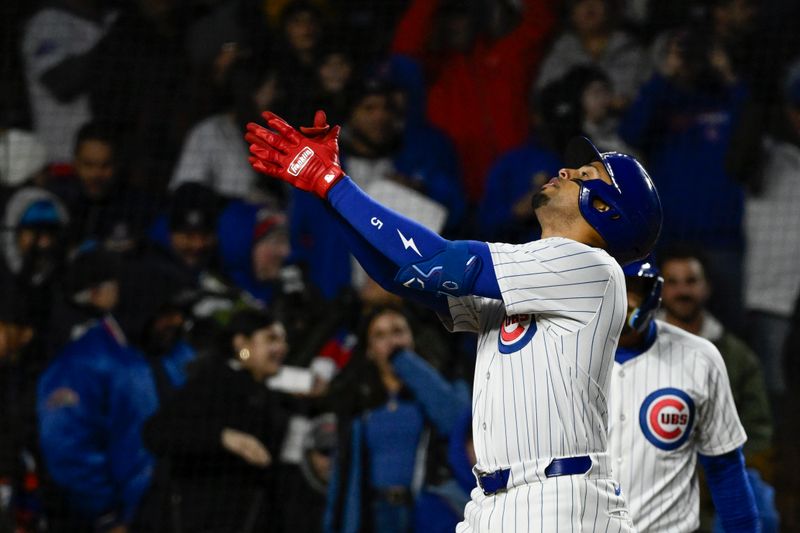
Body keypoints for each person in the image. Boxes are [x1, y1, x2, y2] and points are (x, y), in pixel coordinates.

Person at [244, 110, 663, 530]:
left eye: (585, 174)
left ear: (607, 208)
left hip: (560, 500)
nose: (565, 169)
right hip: (496, 501)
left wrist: (334, 186)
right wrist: (330, 195)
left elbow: (431, 258)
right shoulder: (532, 276)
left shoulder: (591, 267)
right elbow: (405, 276)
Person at [37, 267, 196, 532]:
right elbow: (67, 447)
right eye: (167, 312)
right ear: (141, 309)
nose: (177, 321)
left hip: (176, 507)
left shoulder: (176, 352)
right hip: (117, 517)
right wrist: (106, 515)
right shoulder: (82, 362)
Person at [608, 257, 760, 532]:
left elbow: (725, 468)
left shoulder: (700, 357)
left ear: (654, 293)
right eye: (619, 287)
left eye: (636, 289)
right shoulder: (564, 355)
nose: (628, 300)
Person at [140, 308, 290, 533]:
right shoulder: (215, 382)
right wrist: (224, 437)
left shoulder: (270, 396)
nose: (282, 348)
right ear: (242, 343)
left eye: (284, 340)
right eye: (271, 338)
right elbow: (157, 432)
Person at [323, 305, 469, 533]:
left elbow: (456, 422)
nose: (391, 341)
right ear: (369, 350)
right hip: (375, 514)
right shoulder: (357, 402)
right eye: (380, 335)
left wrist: (404, 361)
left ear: (412, 338)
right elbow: (341, 479)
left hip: (429, 512)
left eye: (398, 331)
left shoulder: (440, 385)